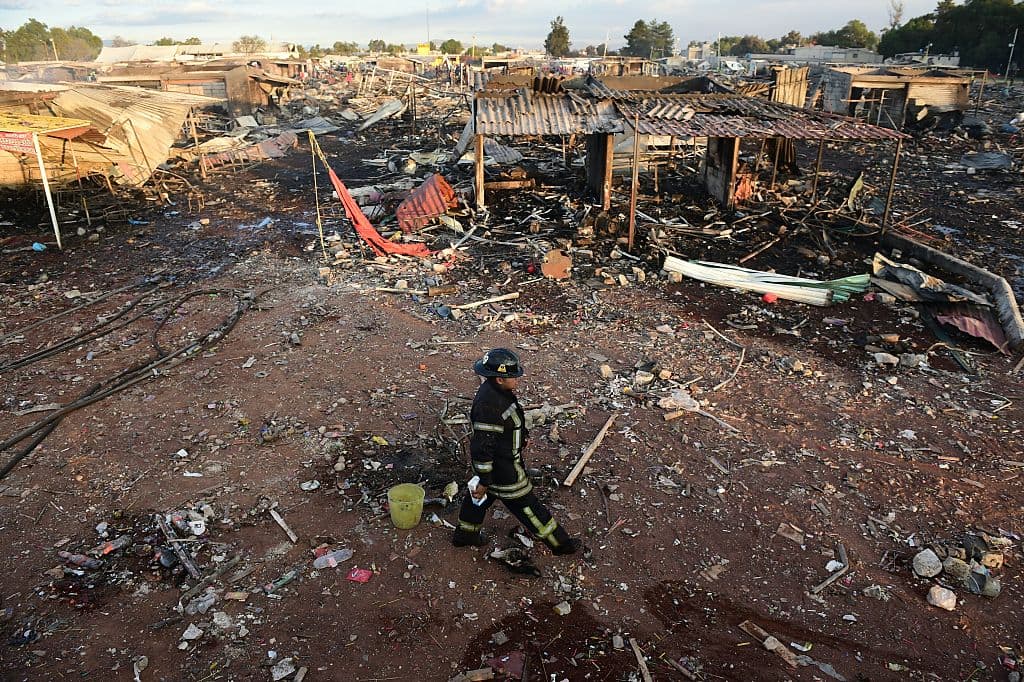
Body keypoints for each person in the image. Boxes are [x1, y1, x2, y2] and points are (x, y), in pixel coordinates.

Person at [453, 348, 582, 555]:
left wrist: (521, 438)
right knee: (528, 506)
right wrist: (485, 479)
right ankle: (560, 544)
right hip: (504, 469)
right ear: (499, 379)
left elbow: (506, 427)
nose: (517, 379)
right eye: (512, 376)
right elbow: (482, 447)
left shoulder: (496, 393)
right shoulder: (490, 405)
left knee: (479, 498)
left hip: (499, 464)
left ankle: (465, 535)